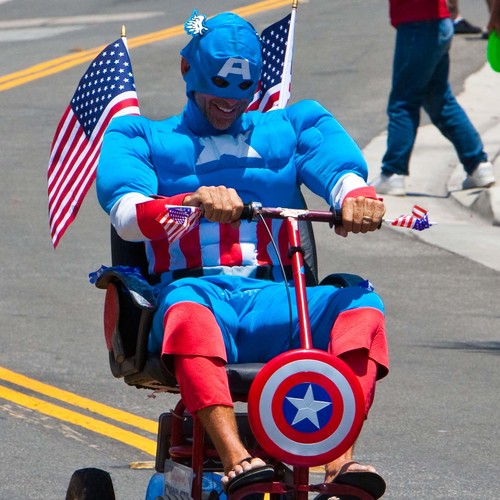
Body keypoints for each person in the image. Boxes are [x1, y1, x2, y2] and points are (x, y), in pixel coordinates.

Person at [97, 10, 388, 498]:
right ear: (187, 71)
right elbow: (126, 213)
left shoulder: (293, 125)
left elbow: (339, 169)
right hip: (198, 295)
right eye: (218, 93)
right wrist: (189, 201)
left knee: (362, 306)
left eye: (240, 95)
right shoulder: (139, 136)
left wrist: (355, 197)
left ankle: (339, 460)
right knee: (188, 313)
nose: (228, 105)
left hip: (277, 298)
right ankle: (238, 462)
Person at [371, 0, 496, 196]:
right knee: (439, 101)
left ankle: (393, 172)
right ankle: (478, 165)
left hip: (418, 23)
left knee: (403, 103)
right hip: (436, 22)